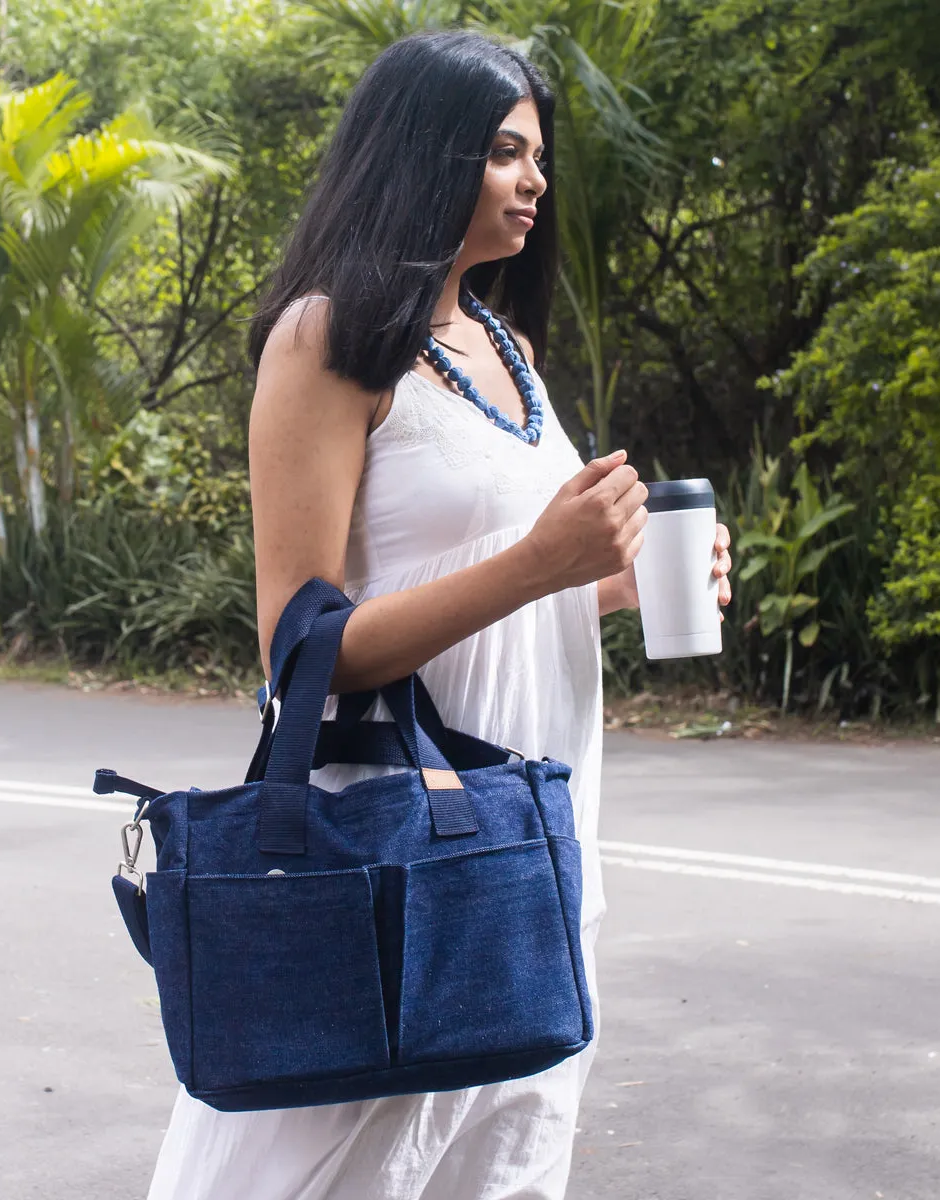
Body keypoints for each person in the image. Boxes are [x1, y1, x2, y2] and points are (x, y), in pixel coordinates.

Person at [146, 29, 732, 1200]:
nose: (536, 180)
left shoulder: (505, 348)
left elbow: (511, 581)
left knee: (506, 1152)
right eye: (507, 152)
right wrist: (535, 563)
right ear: (429, 154)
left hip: (539, 823)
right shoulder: (328, 338)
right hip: (394, 841)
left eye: (540, 156)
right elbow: (300, 643)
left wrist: (614, 581)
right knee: (322, 1157)